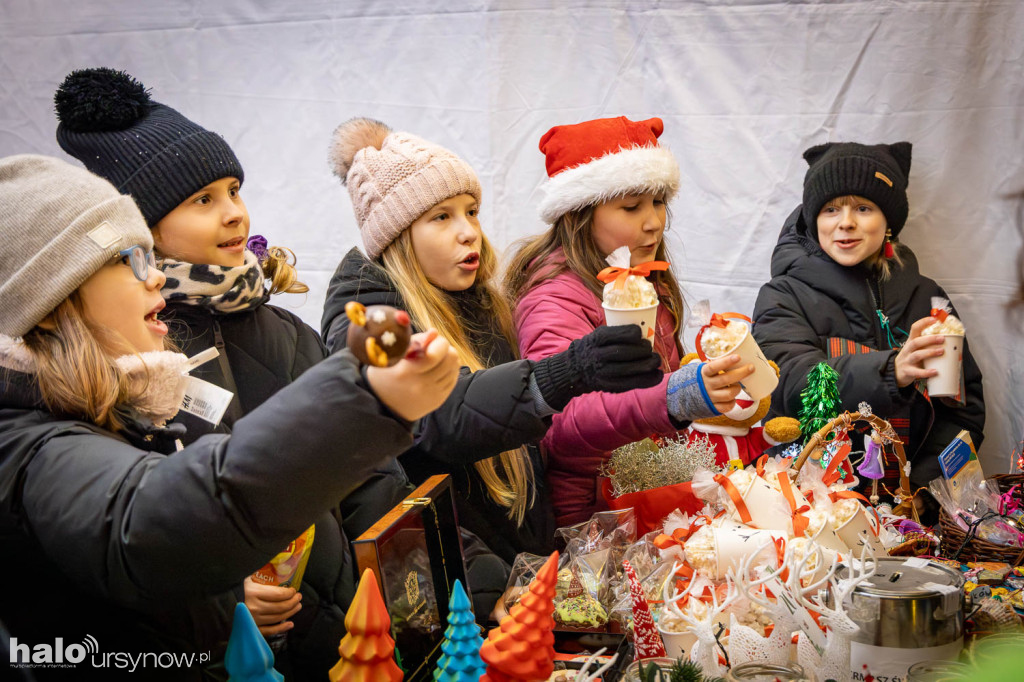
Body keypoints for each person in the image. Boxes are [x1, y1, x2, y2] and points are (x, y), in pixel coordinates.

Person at [0, 154, 458, 680]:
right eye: (132, 259)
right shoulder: (24, 441)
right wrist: (364, 398)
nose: (156, 282)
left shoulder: (123, 409)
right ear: (54, 299)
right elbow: (147, 525)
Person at [52, 68, 403, 679]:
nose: (235, 214)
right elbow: (129, 535)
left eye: (234, 190)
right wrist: (223, 595)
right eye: (203, 200)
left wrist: (417, 578)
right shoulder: (124, 358)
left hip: (349, 635)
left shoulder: (283, 332)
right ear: (143, 228)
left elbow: (370, 479)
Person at [320, 118, 665, 596]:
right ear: (396, 235)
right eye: (441, 217)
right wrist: (568, 372)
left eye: (472, 212)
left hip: (521, 572)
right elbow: (439, 414)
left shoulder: (481, 304)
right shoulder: (365, 321)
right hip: (460, 594)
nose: (469, 233)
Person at [505, 115, 753, 527]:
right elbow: (560, 421)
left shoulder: (645, 279)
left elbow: (652, 385)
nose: (654, 221)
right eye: (631, 206)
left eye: (658, 202)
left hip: (646, 500)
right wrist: (676, 396)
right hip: (586, 521)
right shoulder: (553, 297)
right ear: (578, 214)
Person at [752, 141, 985, 488]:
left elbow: (961, 413)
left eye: (863, 208)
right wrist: (892, 371)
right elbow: (789, 385)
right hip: (812, 512)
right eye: (830, 210)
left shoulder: (928, 299)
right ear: (813, 218)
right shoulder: (783, 295)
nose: (845, 223)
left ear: (888, 220)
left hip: (911, 514)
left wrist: (922, 490)